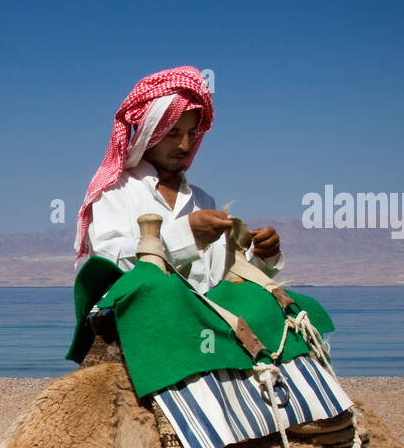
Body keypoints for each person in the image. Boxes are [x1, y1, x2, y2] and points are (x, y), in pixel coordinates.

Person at [75, 65, 283, 293]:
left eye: (191, 134)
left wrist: (262, 256)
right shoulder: (114, 191)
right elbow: (109, 263)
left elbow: (222, 280)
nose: (184, 145)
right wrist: (187, 235)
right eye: (173, 133)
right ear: (149, 131)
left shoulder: (203, 201)